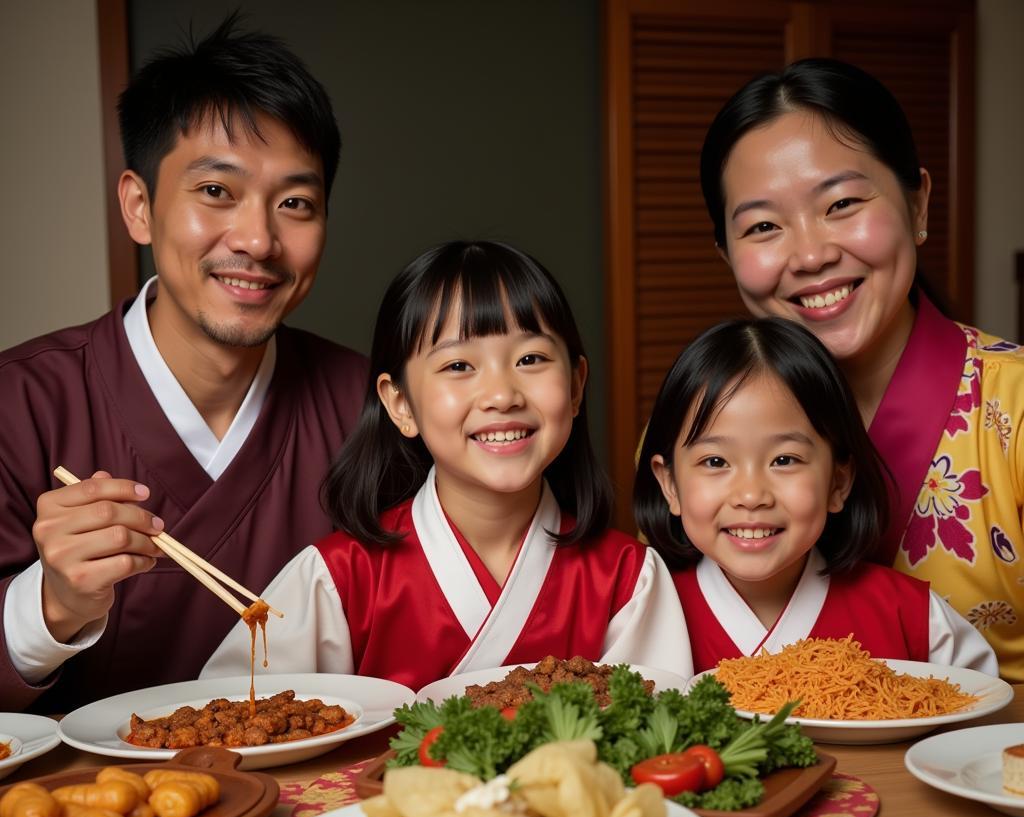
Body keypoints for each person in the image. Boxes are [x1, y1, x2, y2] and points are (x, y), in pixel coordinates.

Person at [0, 18, 368, 711]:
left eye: (295, 204)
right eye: (215, 192)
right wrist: (51, 605)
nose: (258, 240)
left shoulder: (368, 405)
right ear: (139, 208)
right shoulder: (19, 405)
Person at [203, 240, 691, 689]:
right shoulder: (338, 577)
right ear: (400, 405)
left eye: (531, 359)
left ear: (577, 386)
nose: (502, 395)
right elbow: (237, 724)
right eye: (459, 366)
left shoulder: (628, 579)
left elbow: (655, 751)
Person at [699, 58, 1023, 683]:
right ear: (728, 254)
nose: (813, 254)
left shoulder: (1012, 408)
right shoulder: (699, 432)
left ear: (918, 202)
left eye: (842, 203)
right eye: (763, 226)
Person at [634, 317, 996, 676]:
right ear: (670, 484)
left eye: (784, 460)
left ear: (838, 482)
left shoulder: (914, 618)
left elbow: (981, 719)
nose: (751, 495)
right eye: (715, 461)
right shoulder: (642, 613)